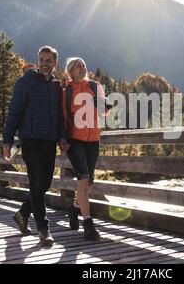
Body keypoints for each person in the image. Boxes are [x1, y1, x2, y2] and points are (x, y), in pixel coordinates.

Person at [3, 45, 70, 247]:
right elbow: (13, 113)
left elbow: (60, 117)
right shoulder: (24, 83)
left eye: (49, 60)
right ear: (38, 60)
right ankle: (44, 230)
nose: (45, 64)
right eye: (42, 59)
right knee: (36, 183)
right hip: (30, 139)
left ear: (55, 63)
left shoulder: (57, 87)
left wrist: (62, 137)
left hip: (49, 141)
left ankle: (23, 213)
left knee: (45, 183)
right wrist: (7, 140)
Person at [62, 57, 111, 241]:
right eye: (78, 66)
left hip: (93, 140)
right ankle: (88, 223)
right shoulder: (66, 91)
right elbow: (64, 117)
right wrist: (62, 138)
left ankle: (75, 207)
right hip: (75, 141)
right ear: (71, 71)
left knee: (88, 182)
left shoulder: (94, 85)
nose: (82, 68)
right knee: (83, 177)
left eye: (83, 66)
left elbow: (103, 111)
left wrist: (106, 104)